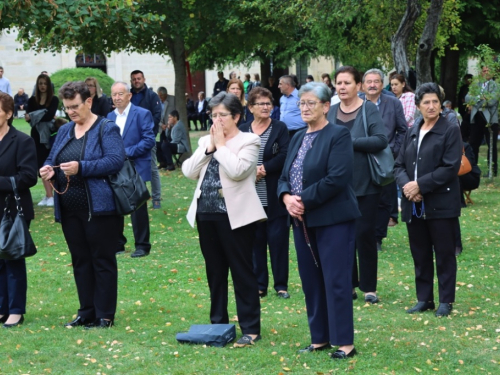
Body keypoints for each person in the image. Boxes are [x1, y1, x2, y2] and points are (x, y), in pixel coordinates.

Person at [278, 82, 360, 359]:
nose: (305, 108)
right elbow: (284, 177)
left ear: (326, 106)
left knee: (336, 279)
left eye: (311, 103)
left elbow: (337, 178)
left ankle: (344, 342)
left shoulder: (338, 135)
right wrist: (287, 197)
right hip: (302, 221)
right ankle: (320, 338)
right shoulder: (298, 137)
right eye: (301, 103)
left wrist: (302, 201)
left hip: (333, 218)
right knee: (311, 280)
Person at [182, 92, 266, 348]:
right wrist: (209, 146)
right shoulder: (207, 141)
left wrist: (219, 146)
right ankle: (218, 323)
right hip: (207, 214)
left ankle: (250, 328)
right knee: (215, 273)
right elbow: (188, 171)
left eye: (222, 115)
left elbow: (238, 171)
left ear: (237, 117)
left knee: (242, 272)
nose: (216, 119)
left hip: (236, 217)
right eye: (213, 114)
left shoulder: (249, 141)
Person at [39, 81, 125, 328]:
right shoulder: (66, 130)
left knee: (102, 260)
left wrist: (81, 167)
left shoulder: (106, 128)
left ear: (88, 101)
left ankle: (105, 314)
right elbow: (51, 157)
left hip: (98, 208)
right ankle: (86, 311)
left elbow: (114, 161)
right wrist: (47, 169)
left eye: (75, 106)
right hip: (69, 208)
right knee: (80, 260)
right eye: (67, 108)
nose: (71, 112)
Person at [394, 82, 462, 317]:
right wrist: (408, 187)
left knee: (443, 253)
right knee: (420, 253)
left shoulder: (450, 129)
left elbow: (450, 167)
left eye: (435, 102)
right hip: (414, 203)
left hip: (440, 203)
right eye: (426, 102)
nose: (432, 106)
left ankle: (445, 301)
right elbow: (399, 164)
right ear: (418, 106)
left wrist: (420, 185)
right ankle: (424, 298)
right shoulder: (413, 129)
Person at [327, 66, 388, 304]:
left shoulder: (369, 109)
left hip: (365, 183)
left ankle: (369, 287)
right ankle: (349, 284)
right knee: (342, 236)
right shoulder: (330, 111)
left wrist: (349, 142)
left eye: (347, 83)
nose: (342, 87)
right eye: (339, 83)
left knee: (364, 234)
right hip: (337, 185)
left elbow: (381, 140)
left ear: (358, 86)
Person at [239, 87, 291, 299]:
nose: (265, 107)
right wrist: (252, 171)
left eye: (268, 103)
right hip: (250, 196)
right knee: (255, 243)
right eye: (260, 104)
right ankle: (260, 285)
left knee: (278, 242)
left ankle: (281, 285)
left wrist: (264, 168)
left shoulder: (279, 128)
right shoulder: (242, 130)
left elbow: (286, 154)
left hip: (274, 194)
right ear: (250, 107)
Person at [0, 93, 38, 328]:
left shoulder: (22, 141)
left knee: (12, 259)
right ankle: (2, 307)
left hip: (12, 209)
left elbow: (28, 177)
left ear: (9, 113)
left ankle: (16, 310)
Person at [107, 82, 155, 258]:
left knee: (138, 207)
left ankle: (142, 245)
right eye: (114, 94)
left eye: (121, 94)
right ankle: (118, 243)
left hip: (136, 166)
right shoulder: (108, 117)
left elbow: (149, 140)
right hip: (114, 168)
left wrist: (126, 153)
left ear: (129, 96)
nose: (117, 98)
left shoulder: (142, 114)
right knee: (114, 204)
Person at [362, 69, 407, 250]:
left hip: (385, 158)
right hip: (360, 156)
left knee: (384, 198)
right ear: (363, 85)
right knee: (361, 197)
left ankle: (377, 237)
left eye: (376, 81)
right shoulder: (355, 102)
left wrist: (393, 150)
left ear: (382, 84)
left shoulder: (393, 103)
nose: (372, 85)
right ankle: (362, 234)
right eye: (369, 82)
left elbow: (403, 130)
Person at [130, 70, 162, 209]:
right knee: (132, 169)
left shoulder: (152, 96)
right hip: (131, 139)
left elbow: (156, 116)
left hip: (147, 138)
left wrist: (146, 131)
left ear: (144, 79)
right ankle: (138, 198)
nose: (136, 81)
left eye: (139, 78)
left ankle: (156, 199)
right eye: (134, 79)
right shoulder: (128, 96)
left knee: (152, 168)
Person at [25, 73, 59, 207]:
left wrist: (34, 116)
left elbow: (49, 115)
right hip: (36, 135)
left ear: (48, 85)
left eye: (45, 83)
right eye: (40, 83)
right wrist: (41, 114)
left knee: (50, 163)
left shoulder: (54, 99)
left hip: (49, 135)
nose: (43, 86)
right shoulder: (32, 100)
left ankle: (53, 195)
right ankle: (48, 195)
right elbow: (28, 119)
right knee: (41, 165)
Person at [466, 66, 499, 177]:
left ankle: (492, 171)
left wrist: (475, 100)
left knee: (491, 145)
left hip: (490, 119)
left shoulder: (496, 86)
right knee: (473, 144)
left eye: (487, 70)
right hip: (477, 117)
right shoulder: (475, 85)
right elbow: (467, 98)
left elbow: (491, 101)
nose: (485, 73)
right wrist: (481, 98)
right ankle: (473, 169)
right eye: (483, 71)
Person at [157, 87, 177, 169]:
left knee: (165, 145)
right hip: (162, 127)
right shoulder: (157, 102)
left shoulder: (173, 99)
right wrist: (161, 125)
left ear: (165, 94)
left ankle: (169, 163)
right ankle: (162, 162)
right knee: (158, 144)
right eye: (159, 95)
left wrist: (170, 124)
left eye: (161, 95)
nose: (160, 97)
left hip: (171, 128)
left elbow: (176, 113)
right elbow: (156, 115)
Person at [458, 74, 473, 141]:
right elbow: (460, 98)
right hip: (463, 108)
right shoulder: (463, 88)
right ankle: (465, 136)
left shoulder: (474, 88)